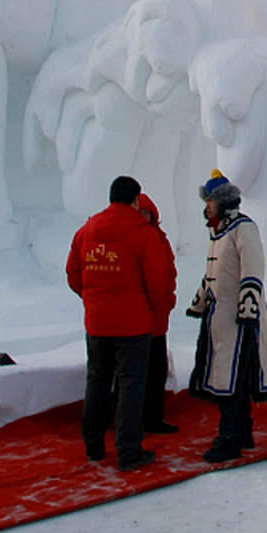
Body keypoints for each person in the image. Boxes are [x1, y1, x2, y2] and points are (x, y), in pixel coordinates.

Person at [66, 176, 178, 469]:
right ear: (136, 200)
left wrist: (93, 298)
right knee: (130, 384)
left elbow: (73, 273)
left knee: (98, 380)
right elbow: (157, 281)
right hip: (133, 325)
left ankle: (93, 444)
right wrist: (155, 310)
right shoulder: (144, 234)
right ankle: (128, 450)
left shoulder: (87, 230)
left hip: (98, 323)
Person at [187, 172, 267, 463]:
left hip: (239, 321)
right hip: (220, 320)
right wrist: (201, 301)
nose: (207, 206)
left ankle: (230, 437)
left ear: (224, 201)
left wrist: (248, 309)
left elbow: (253, 270)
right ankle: (242, 432)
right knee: (232, 377)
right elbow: (214, 274)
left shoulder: (243, 228)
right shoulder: (219, 232)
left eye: (211, 200)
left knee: (231, 378)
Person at [131, 188, 178, 435]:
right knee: (136, 372)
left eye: (147, 213)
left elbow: (169, 272)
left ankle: (154, 416)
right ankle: (135, 417)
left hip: (157, 318)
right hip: (137, 316)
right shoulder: (133, 239)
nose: (144, 217)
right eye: (140, 213)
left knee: (157, 370)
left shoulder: (160, 240)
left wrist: (168, 298)